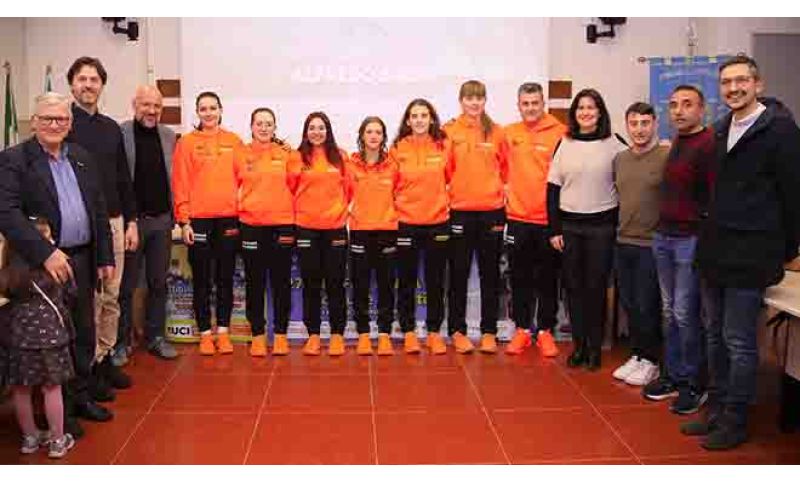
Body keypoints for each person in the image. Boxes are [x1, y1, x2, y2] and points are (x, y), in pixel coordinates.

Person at [686, 55, 800, 450]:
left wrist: (784, 251)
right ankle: (716, 410)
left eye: (741, 81)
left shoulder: (780, 130)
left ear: (758, 84)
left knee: (738, 341)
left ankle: (735, 420)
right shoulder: (721, 130)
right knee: (714, 336)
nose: (733, 88)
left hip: (752, 255)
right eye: (726, 82)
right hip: (715, 252)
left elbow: (793, 196)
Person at [0, 92, 115, 433]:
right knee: (54, 340)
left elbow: (98, 208)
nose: (55, 124)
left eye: (62, 118)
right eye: (47, 118)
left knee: (84, 332)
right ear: (34, 121)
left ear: (70, 122)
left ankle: (80, 397)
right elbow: (6, 213)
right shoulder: (14, 160)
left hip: (82, 259)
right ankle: (59, 413)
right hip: (42, 266)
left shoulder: (81, 156)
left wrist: (104, 256)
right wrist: (45, 252)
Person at [66, 56, 136, 397]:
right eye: (82, 79)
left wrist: (131, 221)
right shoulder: (64, 125)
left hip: (114, 220)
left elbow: (123, 177)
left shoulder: (111, 129)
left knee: (112, 296)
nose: (88, 85)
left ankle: (105, 357)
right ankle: (87, 367)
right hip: (82, 225)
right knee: (89, 302)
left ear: (102, 86)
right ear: (72, 85)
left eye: (94, 80)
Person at [642, 85, 713, 415]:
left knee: (685, 313)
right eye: (673, 105)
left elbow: (713, 198)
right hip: (664, 236)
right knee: (670, 311)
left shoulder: (709, 144)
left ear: (702, 109)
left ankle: (695, 384)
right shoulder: (676, 143)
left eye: (687, 104)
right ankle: (673, 376)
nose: (679, 111)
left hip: (689, 240)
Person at [547, 88, 626, 371]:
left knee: (596, 288)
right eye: (580, 107)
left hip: (601, 228)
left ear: (600, 112)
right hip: (569, 227)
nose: (585, 112)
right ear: (574, 113)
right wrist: (554, 230)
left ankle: (594, 349)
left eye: (591, 107)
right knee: (573, 288)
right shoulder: (564, 142)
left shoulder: (615, 143)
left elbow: (627, 182)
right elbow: (552, 188)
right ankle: (578, 346)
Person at [172, 91, 243, 356]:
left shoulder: (234, 141)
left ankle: (223, 332)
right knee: (202, 280)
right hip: (198, 221)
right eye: (204, 108)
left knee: (225, 278)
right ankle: (204, 334)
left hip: (229, 219)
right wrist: (184, 221)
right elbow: (180, 183)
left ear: (221, 111)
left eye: (213, 108)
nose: (209, 113)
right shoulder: (186, 143)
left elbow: (246, 180)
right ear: (198, 113)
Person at [0, 218, 76, 458]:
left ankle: (30, 439)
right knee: (51, 388)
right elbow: (71, 293)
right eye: (48, 238)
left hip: (18, 340)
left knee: (21, 389)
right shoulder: (55, 271)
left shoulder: (8, 274)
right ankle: (57, 441)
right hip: (50, 340)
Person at [443, 80, 508, 354]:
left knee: (490, 275)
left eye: (479, 98)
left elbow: (506, 169)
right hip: (459, 211)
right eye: (469, 98)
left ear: (485, 101)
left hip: (492, 211)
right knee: (458, 274)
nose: (474, 103)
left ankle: (489, 332)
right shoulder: (448, 131)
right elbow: (445, 171)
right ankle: (457, 331)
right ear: (461, 101)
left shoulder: (497, 132)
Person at [503, 82, 566, 357]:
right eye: (525, 103)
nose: (530, 108)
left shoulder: (560, 133)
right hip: (517, 218)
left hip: (548, 220)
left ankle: (545, 331)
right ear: (519, 106)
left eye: (535, 103)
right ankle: (522, 329)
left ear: (543, 104)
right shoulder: (509, 133)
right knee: (519, 278)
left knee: (548, 279)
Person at [117, 85, 178, 362]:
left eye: (156, 106)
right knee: (126, 286)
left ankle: (156, 337)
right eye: (146, 105)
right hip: (131, 223)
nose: (151, 111)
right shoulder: (121, 134)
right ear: (135, 105)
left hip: (162, 221)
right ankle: (121, 342)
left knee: (158, 283)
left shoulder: (169, 136)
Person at [611, 102, 669, 386]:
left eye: (645, 123)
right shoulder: (620, 159)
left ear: (655, 124)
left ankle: (652, 361)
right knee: (630, 303)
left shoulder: (666, 155)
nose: (639, 129)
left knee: (648, 304)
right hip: (623, 240)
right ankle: (637, 354)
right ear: (627, 126)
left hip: (652, 243)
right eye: (634, 124)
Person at [234, 108, 297, 357]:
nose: (263, 128)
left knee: (281, 282)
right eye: (259, 123)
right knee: (255, 283)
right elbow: (231, 187)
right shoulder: (240, 154)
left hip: (283, 225)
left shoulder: (287, 154)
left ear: (274, 127)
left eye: (268, 124)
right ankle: (258, 335)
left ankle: (280, 335)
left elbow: (297, 187)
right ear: (251, 126)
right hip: (251, 226)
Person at [391, 99, 451, 355]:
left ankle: (434, 332)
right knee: (406, 281)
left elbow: (451, 177)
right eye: (414, 116)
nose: (419, 120)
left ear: (431, 119)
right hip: (406, 223)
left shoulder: (444, 146)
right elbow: (391, 184)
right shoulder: (397, 148)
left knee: (435, 281)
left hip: (438, 223)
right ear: (407, 120)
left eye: (424, 115)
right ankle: (408, 332)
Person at [288, 112, 349, 356]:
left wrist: (337, 212)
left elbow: (349, 189)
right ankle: (313, 335)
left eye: (321, 128)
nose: (316, 132)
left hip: (335, 228)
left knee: (335, 283)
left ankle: (337, 335)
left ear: (328, 130)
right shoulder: (296, 158)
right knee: (311, 284)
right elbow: (290, 188)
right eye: (312, 128)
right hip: (306, 228)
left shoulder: (340, 156)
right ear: (306, 132)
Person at [347, 116, 398, 356]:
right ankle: (364, 334)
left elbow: (402, 194)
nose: (374, 136)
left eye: (378, 132)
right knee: (360, 285)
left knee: (386, 286)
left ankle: (385, 333)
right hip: (359, 231)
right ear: (362, 136)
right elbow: (342, 194)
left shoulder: (393, 165)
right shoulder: (350, 165)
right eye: (369, 131)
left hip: (387, 231)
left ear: (384, 137)